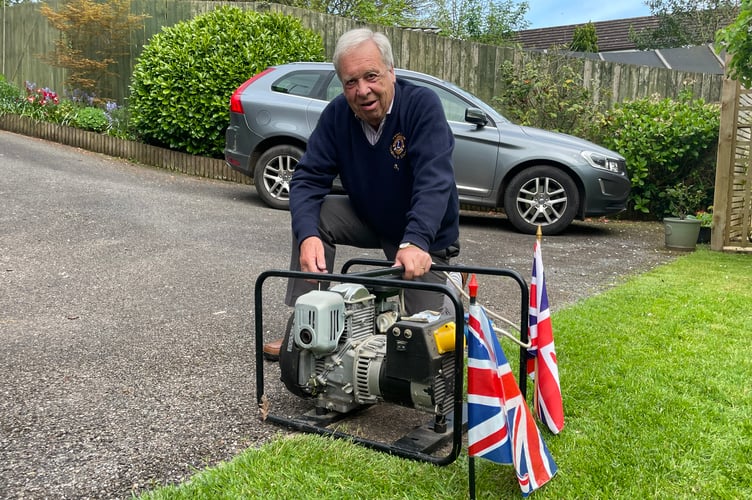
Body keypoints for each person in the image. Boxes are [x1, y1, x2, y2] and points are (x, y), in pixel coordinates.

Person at [264, 28, 460, 360]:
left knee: (423, 354)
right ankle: (304, 329)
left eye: (371, 76)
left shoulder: (421, 107)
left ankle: (452, 284)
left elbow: (434, 181)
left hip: (424, 238)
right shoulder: (338, 115)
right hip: (372, 218)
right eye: (351, 82)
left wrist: (416, 241)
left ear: (391, 72)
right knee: (316, 215)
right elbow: (308, 179)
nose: (362, 90)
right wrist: (308, 235)